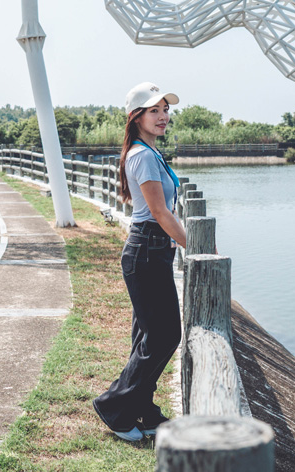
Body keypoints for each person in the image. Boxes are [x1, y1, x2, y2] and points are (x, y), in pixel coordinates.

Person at [93, 81, 188, 442]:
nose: (163, 116)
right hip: (148, 249)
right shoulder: (144, 155)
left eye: (165, 109)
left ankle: (143, 411)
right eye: (155, 110)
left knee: (149, 336)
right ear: (137, 116)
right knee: (165, 334)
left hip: (151, 251)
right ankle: (116, 408)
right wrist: (195, 247)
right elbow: (162, 215)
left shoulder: (146, 151)